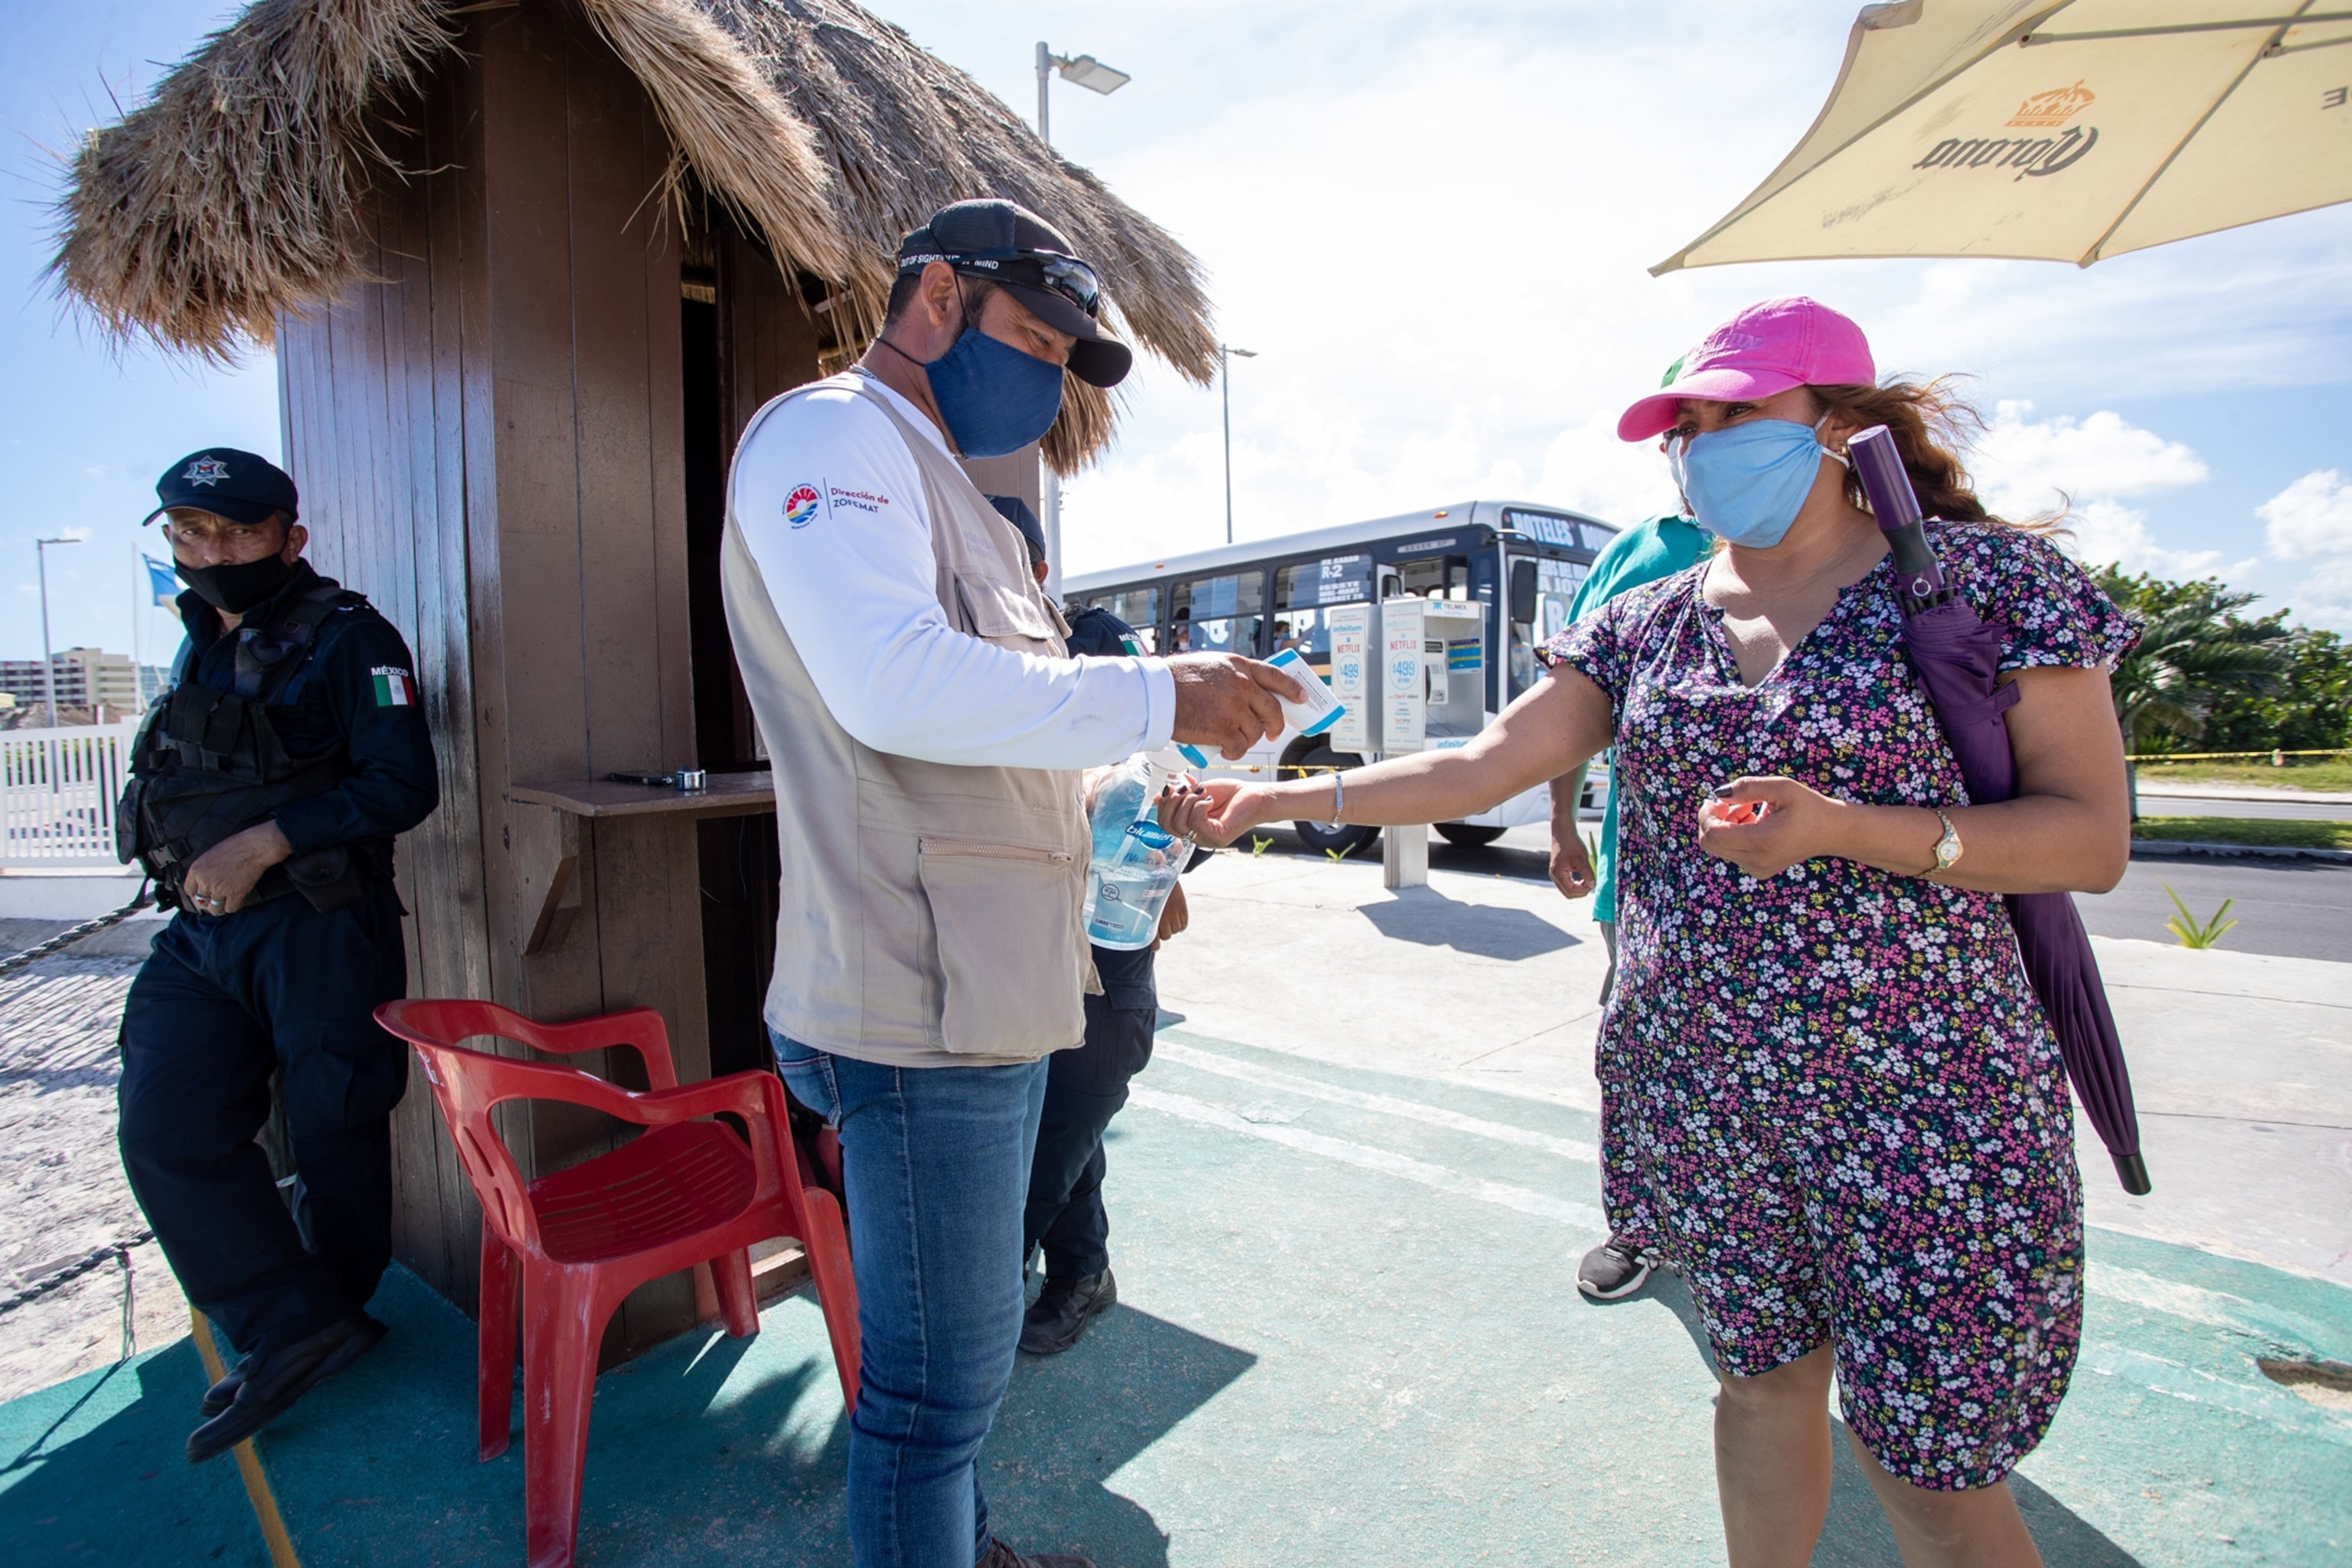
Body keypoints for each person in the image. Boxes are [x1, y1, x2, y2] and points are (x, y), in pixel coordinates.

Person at [1166, 296, 2135, 1568]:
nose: (1701, 444)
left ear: (1843, 423)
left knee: (1931, 1471)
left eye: (1737, 414)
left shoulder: (1984, 585)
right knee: (1757, 1385)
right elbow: (1480, 762)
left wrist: (1844, 826)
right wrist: (1273, 800)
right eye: (1685, 424)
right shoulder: (1647, 620)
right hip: (1702, 1092)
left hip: (1927, 1102)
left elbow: (2086, 838)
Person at [720, 198, 1300, 1568]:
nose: (1045, 379)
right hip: (919, 1005)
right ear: (930, 300)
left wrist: (1132, 816)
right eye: (1030, 337)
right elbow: (891, 684)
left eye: (1063, 354)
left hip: (985, 987)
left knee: (946, 1385)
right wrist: (1162, 684)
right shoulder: (832, 435)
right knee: (932, 1396)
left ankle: (960, 1546)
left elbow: (994, 733)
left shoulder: (950, 493)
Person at [115, 448, 439, 1465]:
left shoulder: (352, 639)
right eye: (187, 533)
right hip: (204, 933)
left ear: (290, 539)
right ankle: (290, 1317)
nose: (209, 551)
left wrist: (271, 840)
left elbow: (403, 785)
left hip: (315, 923)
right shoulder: (195, 645)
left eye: (235, 532)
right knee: (166, 1121)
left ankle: (328, 1318)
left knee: (333, 1127)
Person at [986, 495, 1186, 1357]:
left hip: (1105, 965)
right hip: (1027, 953)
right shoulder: (970, 661)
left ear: (1033, 570)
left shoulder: (1097, 645)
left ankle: (988, 1314)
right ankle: (1084, 1273)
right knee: (1064, 1134)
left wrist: (1155, 852)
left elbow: (1173, 787)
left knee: (1049, 1149)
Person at [1544, 500, 1711, 1303]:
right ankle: (1642, 1224)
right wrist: (1561, 820)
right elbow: (1564, 707)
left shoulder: (1872, 552)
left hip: (1826, 902)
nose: (1701, 451)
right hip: (1650, 879)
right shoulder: (1642, 558)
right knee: (1643, 1051)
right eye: (1687, 430)